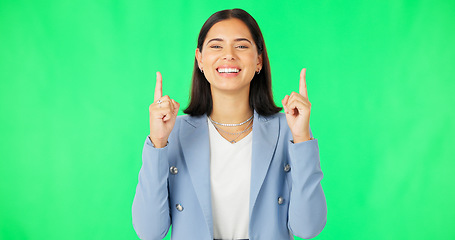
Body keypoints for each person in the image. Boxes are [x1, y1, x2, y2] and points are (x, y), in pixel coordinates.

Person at [132, 8, 327, 240]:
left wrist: (303, 137)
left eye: (242, 45)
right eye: (216, 45)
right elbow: (149, 231)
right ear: (200, 60)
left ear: (258, 61)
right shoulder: (173, 132)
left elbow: (308, 228)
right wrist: (158, 142)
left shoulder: (289, 129)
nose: (228, 55)